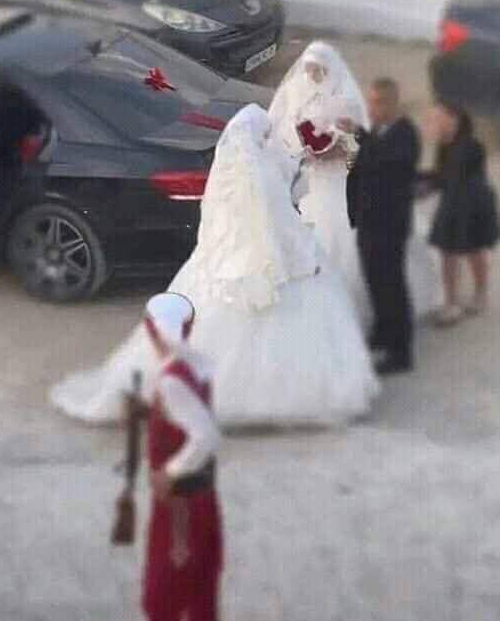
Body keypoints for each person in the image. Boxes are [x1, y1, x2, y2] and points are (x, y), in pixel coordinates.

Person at [51, 104, 378, 427]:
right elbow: (275, 221)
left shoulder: (231, 172)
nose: (269, 139)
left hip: (222, 260)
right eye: (265, 134)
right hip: (266, 262)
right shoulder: (259, 173)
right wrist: (302, 254)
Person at [268, 42, 439, 329]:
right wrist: (305, 152)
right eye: (309, 69)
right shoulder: (298, 95)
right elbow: (285, 135)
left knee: (360, 246)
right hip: (317, 182)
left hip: (344, 181)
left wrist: (340, 151)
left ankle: (379, 317)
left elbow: (365, 144)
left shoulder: (347, 99)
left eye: (318, 69)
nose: (313, 75)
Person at [142, 291, 223, 621]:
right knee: (201, 591)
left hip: (179, 507)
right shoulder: (197, 366)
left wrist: (169, 472)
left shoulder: (172, 381)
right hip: (204, 498)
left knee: (163, 596)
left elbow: (205, 436)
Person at [340, 78, 420, 375]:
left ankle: (400, 351)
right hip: (369, 223)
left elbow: (388, 165)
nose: (370, 108)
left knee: (391, 285)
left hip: (389, 226)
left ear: (390, 103)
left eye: (375, 103)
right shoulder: (377, 131)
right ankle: (383, 332)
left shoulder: (405, 135)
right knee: (375, 282)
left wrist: (361, 135)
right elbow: (362, 165)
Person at [421, 102, 500, 327]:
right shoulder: (445, 145)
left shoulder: (470, 147)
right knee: (449, 254)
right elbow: (441, 175)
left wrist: (426, 184)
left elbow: (449, 177)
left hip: (472, 205)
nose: (431, 124)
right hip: (454, 202)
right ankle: (452, 302)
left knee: (473, 250)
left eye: (436, 119)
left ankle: (479, 294)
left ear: (453, 119)